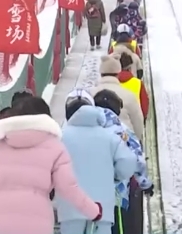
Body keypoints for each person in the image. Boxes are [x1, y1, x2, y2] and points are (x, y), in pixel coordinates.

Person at [0, 96, 102, 234]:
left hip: (1, 222)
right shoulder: (55, 148)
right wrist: (94, 211)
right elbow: (68, 188)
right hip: (38, 223)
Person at [58, 89, 138, 234]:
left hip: (70, 210)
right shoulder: (109, 137)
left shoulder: (62, 138)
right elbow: (128, 163)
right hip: (102, 210)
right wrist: (115, 176)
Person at [92, 90, 154, 234]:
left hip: (87, 195)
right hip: (116, 195)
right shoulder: (123, 131)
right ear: (117, 110)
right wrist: (145, 183)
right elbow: (137, 160)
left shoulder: (85, 128)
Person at [90, 56, 144, 142]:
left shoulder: (90, 94)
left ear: (101, 74)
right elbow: (138, 123)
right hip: (124, 141)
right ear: (118, 74)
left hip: (96, 141)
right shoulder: (129, 95)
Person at [117, 53, 148, 117]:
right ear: (129, 68)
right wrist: (143, 117)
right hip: (135, 117)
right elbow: (144, 103)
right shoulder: (138, 83)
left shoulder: (113, 82)